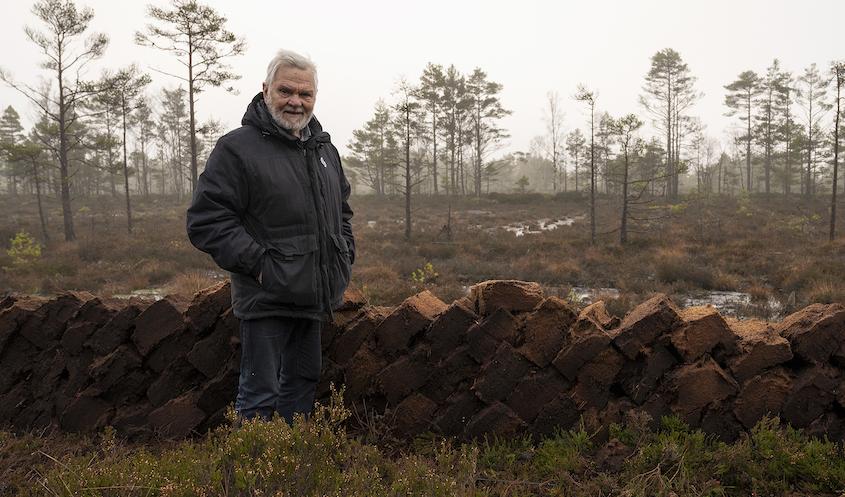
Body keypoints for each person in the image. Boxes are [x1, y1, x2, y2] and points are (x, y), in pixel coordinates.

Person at [186, 49, 354, 423]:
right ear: (266, 91)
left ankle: (291, 472)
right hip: (267, 300)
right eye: (286, 91)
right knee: (260, 395)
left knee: (303, 385)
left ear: (314, 97)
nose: (296, 101)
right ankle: (251, 476)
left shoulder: (324, 149)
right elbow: (206, 220)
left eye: (305, 94)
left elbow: (341, 210)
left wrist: (344, 256)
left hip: (314, 298)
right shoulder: (237, 149)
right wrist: (262, 266)